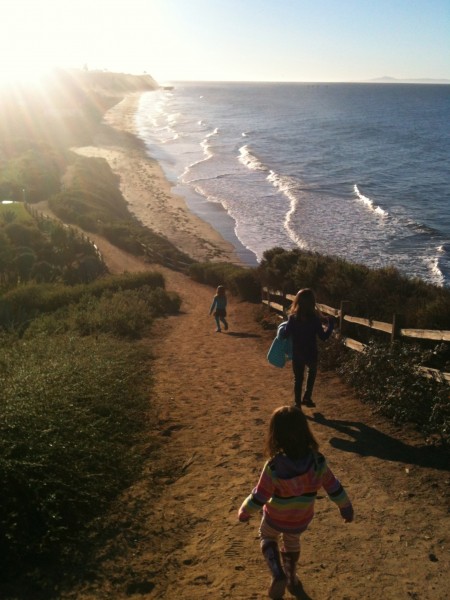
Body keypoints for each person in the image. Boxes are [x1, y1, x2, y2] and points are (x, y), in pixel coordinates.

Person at [238, 406, 353, 599]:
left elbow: (260, 495)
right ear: (305, 431)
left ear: (275, 435)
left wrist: (245, 510)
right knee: (292, 542)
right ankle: (291, 578)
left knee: (267, 536)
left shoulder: (274, 466)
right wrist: (345, 507)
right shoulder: (317, 461)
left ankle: (277, 573)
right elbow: (334, 486)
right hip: (300, 519)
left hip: (275, 516)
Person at [284, 288, 334, 407]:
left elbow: (285, 334)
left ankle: (297, 403)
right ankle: (307, 397)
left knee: (298, 379)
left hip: (297, 353)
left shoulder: (293, 318)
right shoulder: (314, 319)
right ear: (312, 302)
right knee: (311, 374)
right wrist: (331, 326)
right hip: (311, 352)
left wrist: (284, 328)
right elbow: (323, 337)